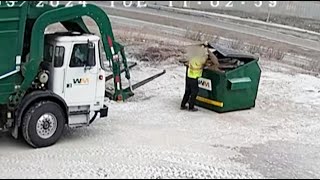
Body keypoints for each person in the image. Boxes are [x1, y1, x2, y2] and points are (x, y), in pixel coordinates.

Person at [180, 45, 208, 112]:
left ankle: (183, 105)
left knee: (187, 91)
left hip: (189, 76)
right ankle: (191, 107)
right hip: (194, 77)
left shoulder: (192, 57)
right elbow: (204, 60)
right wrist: (206, 52)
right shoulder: (199, 59)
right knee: (194, 92)